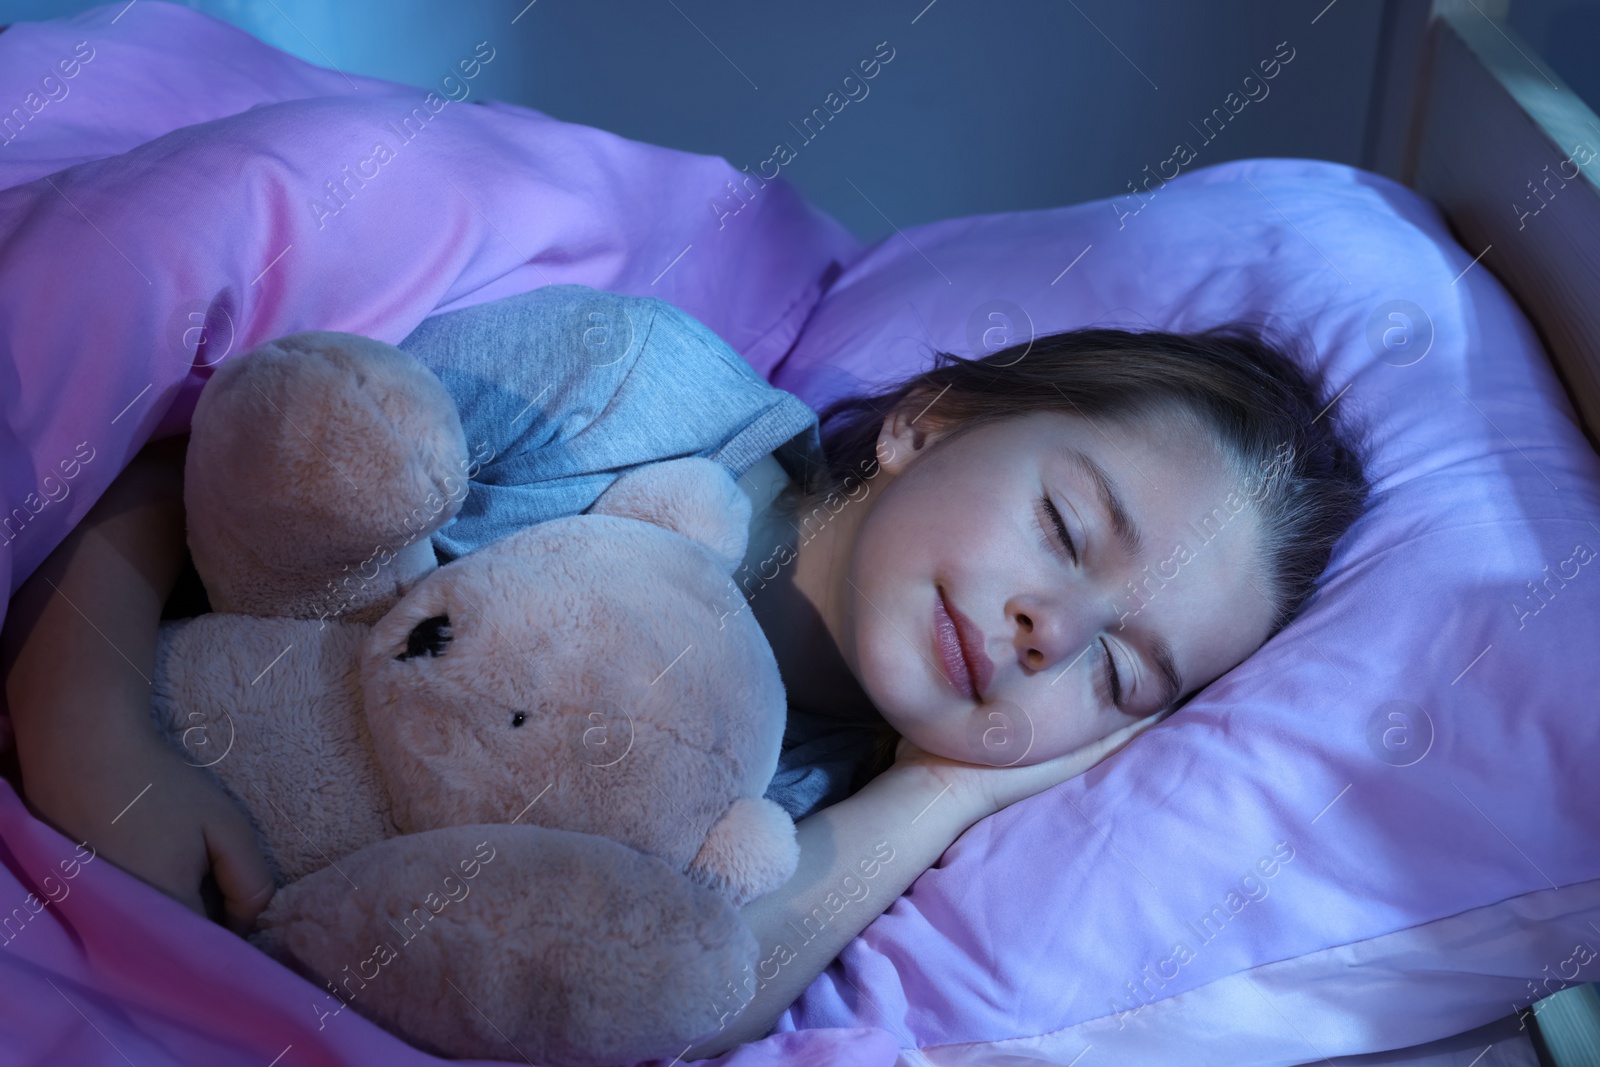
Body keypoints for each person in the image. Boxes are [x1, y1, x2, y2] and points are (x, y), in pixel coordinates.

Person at [0, 287, 1369, 1058]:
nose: (1050, 635)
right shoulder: (637, 395)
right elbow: (235, 454)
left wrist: (947, 796)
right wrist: (92, 722)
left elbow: (677, 986)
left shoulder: (825, 795)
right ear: (924, 424)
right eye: (1066, 532)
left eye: (1122, 673)